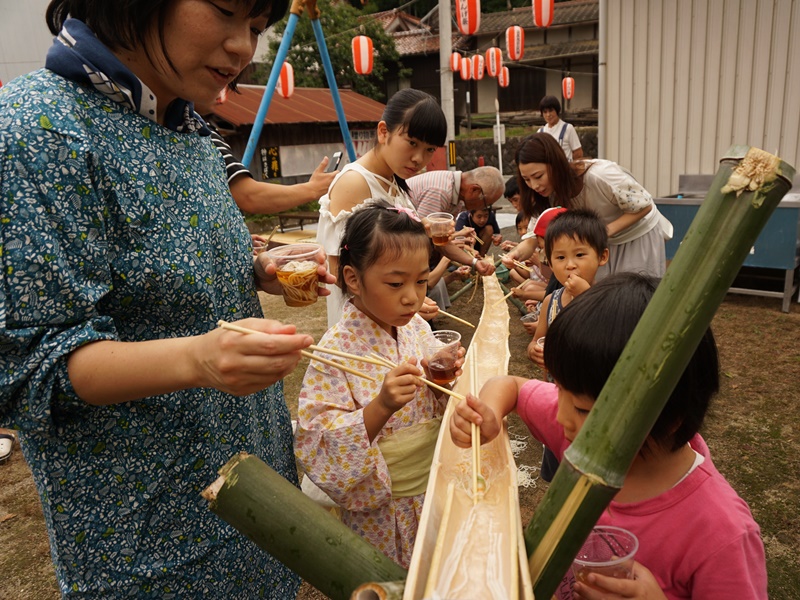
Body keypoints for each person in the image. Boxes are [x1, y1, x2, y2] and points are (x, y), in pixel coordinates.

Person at [0, 1, 337, 597]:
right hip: (151, 546)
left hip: (261, 505)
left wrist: (257, 269)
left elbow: (169, 275)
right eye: (227, 12)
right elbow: (32, 370)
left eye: (257, 29)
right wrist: (196, 360)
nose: (243, 47)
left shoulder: (189, 128)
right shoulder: (35, 128)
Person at [450, 273, 768, 600]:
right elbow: (511, 386)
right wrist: (487, 412)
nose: (561, 417)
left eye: (583, 409)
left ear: (670, 418)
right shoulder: (583, 432)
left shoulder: (723, 535)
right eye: (559, 389)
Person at [294, 207, 463, 568]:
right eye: (395, 283)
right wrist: (380, 406)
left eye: (420, 281)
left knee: (438, 573)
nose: (412, 298)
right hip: (384, 509)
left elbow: (439, 398)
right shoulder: (333, 352)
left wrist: (439, 384)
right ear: (353, 279)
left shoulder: (415, 327)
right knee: (394, 579)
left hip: (434, 484)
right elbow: (316, 442)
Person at [316, 88, 447, 326]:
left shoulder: (392, 178)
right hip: (362, 326)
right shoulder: (355, 182)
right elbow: (336, 268)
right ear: (383, 131)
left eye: (429, 149)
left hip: (389, 318)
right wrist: (407, 302)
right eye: (412, 143)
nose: (419, 158)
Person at [502, 132, 671, 281]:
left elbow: (644, 206)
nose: (534, 185)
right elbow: (533, 238)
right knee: (605, 296)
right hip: (601, 242)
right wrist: (515, 254)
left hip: (637, 236)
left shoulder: (601, 175)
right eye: (526, 179)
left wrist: (603, 231)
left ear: (556, 164)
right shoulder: (545, 193)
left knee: (636, 296)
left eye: (538, 176)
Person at [407, 166, 505, 276]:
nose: (485, 208)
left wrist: (475, 262)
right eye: (486, 204)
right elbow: (423, 238)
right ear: (474, 190)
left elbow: (442, 241)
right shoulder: (440, 191)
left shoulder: (456, 194)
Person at [537, 95, 583, 162]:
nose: (548, 115)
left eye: (551, 111)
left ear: (557, 111)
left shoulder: (568, 128)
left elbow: (578, 153)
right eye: (545, 112)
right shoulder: (540, 133)